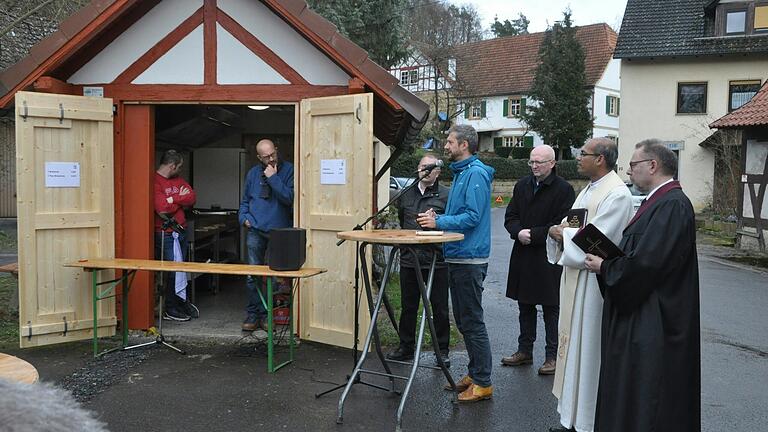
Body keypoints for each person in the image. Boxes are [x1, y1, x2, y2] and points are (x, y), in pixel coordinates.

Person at [585, 140, 700, 432]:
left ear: (653, 165)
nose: (629, 171)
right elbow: (640, 256)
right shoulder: (657, 201)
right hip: (644, 312)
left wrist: (606, 266)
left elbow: (648, 264)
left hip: (655, 318)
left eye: (634, 165)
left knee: (649, 396)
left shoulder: (672, 204)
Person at [545, 138, 633, 432]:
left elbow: (602, 240)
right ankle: (568, 417)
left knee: (587, 352)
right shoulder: (589, 189)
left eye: (583, 154)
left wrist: (562, 236)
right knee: (572, 350)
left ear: (601, 159)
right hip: (575, 278)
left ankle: (585, 421)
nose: (578, 158)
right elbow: (574, 226)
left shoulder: (617, 194)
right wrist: (558, 231)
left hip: (593, 286)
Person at [417, 124, 495, 403]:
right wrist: (438, 216)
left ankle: (483, 382)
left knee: (471, 321)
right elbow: (462, 213)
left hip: (470, 258)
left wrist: (439, 222)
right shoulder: (462, 173)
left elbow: (472, 217)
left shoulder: (474, 174)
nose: (446, 146)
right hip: (459, 255)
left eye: (450, 142)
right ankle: (475, 374)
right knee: (463, 319)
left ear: (464, 144)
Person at [502, 145, 575, 375]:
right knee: (525, 304)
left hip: (548, 255)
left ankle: (552, 356)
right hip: (523, 252)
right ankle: (525, 350)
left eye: (539, 162)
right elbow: (510, 216)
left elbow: (561, 224)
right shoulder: (522, 185)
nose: (534, 166)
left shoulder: (564, 189)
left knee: (551, 307)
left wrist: (532, 234)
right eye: (531, 162)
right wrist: (517, 232)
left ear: (552, 163)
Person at [386, 154, 451, 367]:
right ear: (418, 168)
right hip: (409, 259)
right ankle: (406, 347)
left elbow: (449, 224)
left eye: (431, 167)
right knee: (408, 306)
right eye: (423, 166)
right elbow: (403, 217)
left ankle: (442, 351)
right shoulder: (406, 194)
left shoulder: (445, 195)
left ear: (438, 172)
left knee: (439, 307)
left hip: (436, 260)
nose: (426, 170)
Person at [238, 139, 294, 332]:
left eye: (273, 154)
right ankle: (255, 314)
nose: (271, 159)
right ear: (259, 157)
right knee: (252, 275)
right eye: (266, 157)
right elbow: (245, 200)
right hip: (255, 230)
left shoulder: (289, 171)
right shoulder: (253, 173)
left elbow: (289, 198)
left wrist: (273, 178)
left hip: (280, 233)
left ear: (276, 150)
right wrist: (243, 218)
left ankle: (270, 314)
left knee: (276, 277)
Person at [154, 149, 197, 321]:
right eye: (179, 167)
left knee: (181, 269)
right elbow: (161, 208)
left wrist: (172, 199)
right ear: (172, 166)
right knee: (172, 270)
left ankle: (180, 301)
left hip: (181, 231)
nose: (180, 170)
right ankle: (170, 308)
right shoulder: (155, 182)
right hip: (166, 234)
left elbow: (192, 198)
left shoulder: (178, 180)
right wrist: (179, 198)